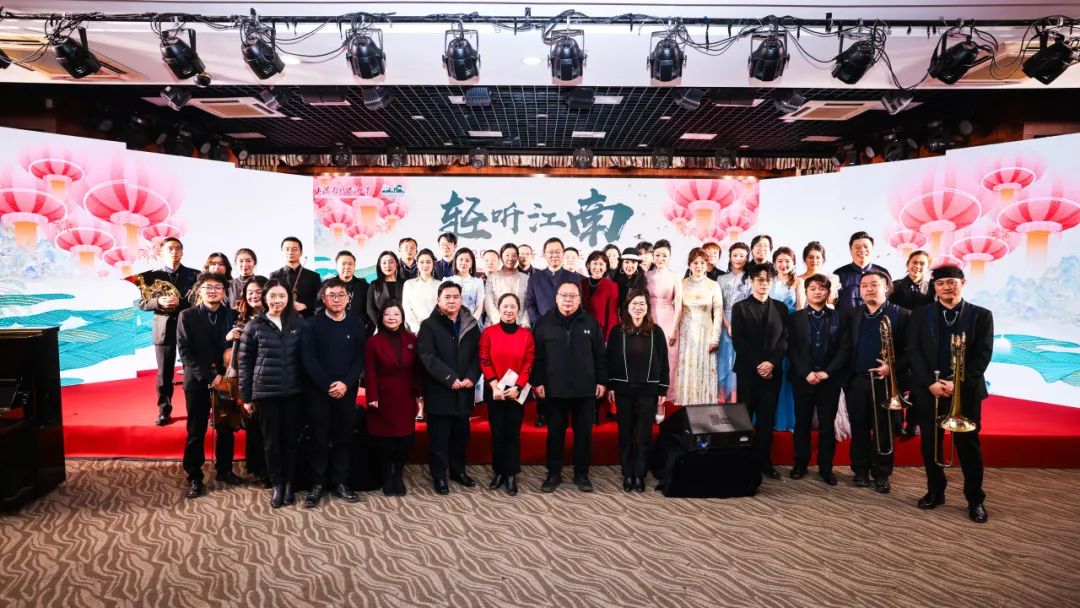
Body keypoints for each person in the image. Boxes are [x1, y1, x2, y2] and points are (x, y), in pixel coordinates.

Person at [907, 265, 992, 523]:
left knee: (968, 447)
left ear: (963, 283)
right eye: (941, 283)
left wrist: (958, 384)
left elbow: (982, 356)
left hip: (965, 393)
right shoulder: (920, 315)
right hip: (930, 391)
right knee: (930, 445)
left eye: (951, 282)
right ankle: (935, 491)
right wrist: (929, 383)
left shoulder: (981, 315)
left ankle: (975, 499)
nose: (946, 287)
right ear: (935, 287)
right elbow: (914, 352)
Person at [833, 269, 909, 494]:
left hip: (886, 382)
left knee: (884, 430)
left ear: (886, 287)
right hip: (857, 381)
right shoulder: (853, 315)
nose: (868, 289)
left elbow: (912, 352)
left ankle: (882, 473)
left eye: (874, 284)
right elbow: (845, 347)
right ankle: (860, 470)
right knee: (858, 428)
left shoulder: (903, 315)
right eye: (864, 285)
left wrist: (892, 367)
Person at [532, 280, 607, 493]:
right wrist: (538, 382)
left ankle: (581, 474)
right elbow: (538, 357)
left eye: (573, 296)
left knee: (583, 435)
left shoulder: (590, 323)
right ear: (556, 298)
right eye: (564, 295)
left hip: (585, 390)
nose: (568, 299)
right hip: (555, 390)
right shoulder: (544, 323)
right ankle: (553, 474)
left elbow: (600, 355)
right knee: (555, 434)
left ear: (579, 299)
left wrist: (602, 381)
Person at [238, 280, 306, 508]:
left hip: (294, 392)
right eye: (273, 296)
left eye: (282, 296)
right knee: (270, 442)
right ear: (265, 298)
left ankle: (289, 483)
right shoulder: (254, 326)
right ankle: (277, 484)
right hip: (265, 394)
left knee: (291, 440)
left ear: (289, 298)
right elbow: (244, 364)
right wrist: (246, 397)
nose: (278, 300)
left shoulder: (299, 323)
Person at [300, 278, 366, 507]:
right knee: (318, 437)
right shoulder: (311, 324)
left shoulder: (356, 323)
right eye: (331, 295)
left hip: (346, 390)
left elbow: (360, 357)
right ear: (323, 298)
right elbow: (308, 359)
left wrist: (345, 384)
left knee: (343, 436)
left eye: (341, 295)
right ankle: (318, 483)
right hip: (319, 390)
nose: (336, 299)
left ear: (348, 298)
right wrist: (328, 385)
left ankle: (340, 481)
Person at [176, 272, 240, 499]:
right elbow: (185, 351)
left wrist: (222, 374)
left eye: (218, 287)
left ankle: (225, 470)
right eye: (208, 287)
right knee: (196, 430)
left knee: (226, 427)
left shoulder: (232, 315)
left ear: (224, 292)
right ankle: (194, 476)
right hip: (197, 381)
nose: (213, 291)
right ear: (199, 291)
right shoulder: (187, 315)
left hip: (226, 380)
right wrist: (208, 376)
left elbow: (233, 349)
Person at [417, 282, 482, 495]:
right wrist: (449, 377)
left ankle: (458, 471)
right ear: (438, 300)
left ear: (461, 299)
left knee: (461, 436)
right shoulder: (428, 325)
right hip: (440, 390)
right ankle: (439, 476)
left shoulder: (471, 324)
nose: (452, 301)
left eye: (456, 297)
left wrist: (472, 377)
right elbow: (427, 356)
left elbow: (478, 354)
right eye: (447, 297)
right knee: (439, 438)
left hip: (464, 390)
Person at [606, 290, 669, 492]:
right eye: (634, 304)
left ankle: (639, 474)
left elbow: (664, 361)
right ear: (627, 307)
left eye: (642, 304)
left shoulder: (656, 332)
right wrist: (611, 386)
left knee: (643, 435)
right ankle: (627, 473)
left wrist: (663, 388)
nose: (638, 307)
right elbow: (610, 360)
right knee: (625, 433)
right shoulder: (617, 331)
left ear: (647, 308)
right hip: (623, 389)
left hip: (648, 390)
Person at [731, 262, 789, 479]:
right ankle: (743, 461)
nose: (764, 284)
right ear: (751, 281)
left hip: (773, 373)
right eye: (760, 280)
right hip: (748, 372)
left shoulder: (781, 308)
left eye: (768, 280)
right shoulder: (740, 307)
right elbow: (739, 341)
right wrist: (759, 364)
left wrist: (771, 363)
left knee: (767, 420)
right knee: (744, 418)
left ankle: (764, 461)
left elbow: (785, 340)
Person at [787, 274, 844, 485]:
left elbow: (845, 348)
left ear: (828, 292)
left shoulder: (839, 317)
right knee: (801, 423)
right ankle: (800, 463)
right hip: (803, 379)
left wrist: (828, 372)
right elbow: (791, 349)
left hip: (829, 380)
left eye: (822, 288)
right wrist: (806, 373)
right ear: (806, 292)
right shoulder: (795, 318)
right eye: (813, 288)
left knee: (827, 425)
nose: (817, 292)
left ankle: (826, 467)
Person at [136, 236, 199, 426]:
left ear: (182, 252)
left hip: (189, 329)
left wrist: (182, 302)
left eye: (178, 248)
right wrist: (158, 302)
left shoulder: (195, 275)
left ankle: (195, 410)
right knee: (164, 374)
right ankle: (164, 410)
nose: (174, 252)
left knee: (192, 372)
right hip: (163, 329)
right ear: (161, 252)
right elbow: (142, 303)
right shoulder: (151, 277)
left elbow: (199, 301)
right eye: (170, 248)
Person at [478, 293, 535, 496]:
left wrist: (518, 387)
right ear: (499, 308)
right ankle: (499, 472)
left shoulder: (526, 335)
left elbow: (528, 363)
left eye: (513, 307)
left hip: (516, 392)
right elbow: (484, 359)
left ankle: (511, 474)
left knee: (513, 433)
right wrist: (495, 386)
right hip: (495, 390)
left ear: (518, 310)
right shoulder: (488, 333)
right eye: (505, 306)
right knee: (497, 432)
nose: (509, 310)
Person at [364, 301, 423, 496]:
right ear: (381, 317)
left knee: (404, 440)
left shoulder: (411, 339)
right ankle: (387, 477)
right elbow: (370, 372)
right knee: (386, 441)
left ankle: (398, 475)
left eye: (396, 314)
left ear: (402, 317)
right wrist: (372, 396)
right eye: (387, 314)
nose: (392, 318)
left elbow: (417, 369)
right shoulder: (373, 342)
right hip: (383, 397)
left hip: (406, 395)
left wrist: (419, 394)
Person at [524, 237, 584, 426]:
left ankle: (564, 412)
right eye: (550, 251)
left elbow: (578, 303)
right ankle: (542, 412)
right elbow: (529, 303)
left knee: (564, 369)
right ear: (544, 254)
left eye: (558, 251)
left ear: (563, 253)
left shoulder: (573, 276)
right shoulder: (535, 277)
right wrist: (540, 323)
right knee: (543, 369)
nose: (554, 255)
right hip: (542, 331)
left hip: (568, 331)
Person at [674, 248, 723, 406]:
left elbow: (718, 313)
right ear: (689, 264)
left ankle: (704, 411)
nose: (699, 266)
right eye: (695, 263)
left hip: (705, 334)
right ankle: (686, 409)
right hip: (686, 335)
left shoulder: (713, 285)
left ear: (707, 265)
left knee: (704, 370)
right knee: (687, 370)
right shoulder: (681, 284)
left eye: (702, 263)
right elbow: (677, 310)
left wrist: (715, 338)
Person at [892, 249, 934, 437]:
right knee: (897, 381)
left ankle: (913, 422)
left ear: (927, 267)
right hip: (899, 340)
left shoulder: (932, 288)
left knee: (919, 382)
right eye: (914, 262)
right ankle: (897, 422)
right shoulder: (895, 286)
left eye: (922, 263)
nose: (917, 266)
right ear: (907, 264)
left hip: (923, 342)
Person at [229, 277, 267, 484]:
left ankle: (268, 468)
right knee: (253, 425)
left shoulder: (275, 315)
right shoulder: (239, 317)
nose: (254, 296)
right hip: (247, 378)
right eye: (250, 292)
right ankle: (256, 466)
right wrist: (228, 337)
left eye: (258, 291)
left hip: (268, 377)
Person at [769, 247, 806, 432]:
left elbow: (800, 308)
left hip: (790, 330)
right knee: (772, 374)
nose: (784, 265)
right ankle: (769, 419)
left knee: (786, 375)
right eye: (780, 261)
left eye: (787, 261)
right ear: (774, 263)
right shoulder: (769, 280)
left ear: (793, 263)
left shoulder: (798, 282)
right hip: (770, 331)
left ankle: (787, 421)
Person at [646, 239, 682, 406]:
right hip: (648, 317)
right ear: (653, 256)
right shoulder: (646, 275)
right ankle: (648, 399)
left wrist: (674, 329)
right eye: (658, 255)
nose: (660, 258)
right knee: (649, 357)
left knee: (669, 359)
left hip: (668, 318)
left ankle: (664, 400)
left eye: (664, 255)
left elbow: (679, 304)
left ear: (670, 257)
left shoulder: (675, 277)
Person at [717, 242, 751, 402]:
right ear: (730, 257)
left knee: (739, 358)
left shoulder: (751, 279)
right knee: (724, 359)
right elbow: (719, 305)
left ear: (747, 258)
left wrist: (741, 326)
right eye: (735, 255)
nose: (738, 259)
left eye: (742, 256)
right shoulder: (721, 279)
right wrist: (728, 325)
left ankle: (736, 399)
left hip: (745, 323)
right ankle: (722, 398)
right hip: (725, 322)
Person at [833, 231, 890, 315]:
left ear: (872, 249)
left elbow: (889, 300)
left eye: (865, 246)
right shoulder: (838, 274)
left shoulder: (883, 272)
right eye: (857, 247)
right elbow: (832, 302)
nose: (862, 250)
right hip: (846, 321)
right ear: (850, 250)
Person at [268, 237, 321, 318]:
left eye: (294, 249)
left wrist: (305, 305)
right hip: (282, 318)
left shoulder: (313, 276)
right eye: (287, 249)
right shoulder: (274, 276)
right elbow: (270, 298)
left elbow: (320, 299)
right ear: (282, 252)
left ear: (301, 253)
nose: (290, 252)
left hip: (307, 318)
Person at [484, 243, 530, 328]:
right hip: (495, 324)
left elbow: (528, 303)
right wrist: (500, 322)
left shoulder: (525, 278)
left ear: (517, 257)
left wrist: (524, 323)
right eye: (507, 255)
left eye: (514, 255)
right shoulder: (492, 278)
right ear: (501, 257)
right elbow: (488, 303)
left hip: (519, 325)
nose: (510, 258)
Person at [330, 250, 371, 332]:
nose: (347, 267)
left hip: (357, 331)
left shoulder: (364, 286)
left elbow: (369, 311)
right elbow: (319, 309)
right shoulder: (327, 286)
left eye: (350, 264)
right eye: (343, 264)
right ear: (336, 266)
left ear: (354, 266)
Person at [584, 251, 619, 341]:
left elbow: (612, 316)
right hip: (581, 330)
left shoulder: (612, 286)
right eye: (594, 263)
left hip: (600, 332)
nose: (597, 267)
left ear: (606, 267)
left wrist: (609, 339)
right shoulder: (581, 283)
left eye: (601, 264)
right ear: (588, 265)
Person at [402, 248, 439, 334]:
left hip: (437, 330)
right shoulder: (409, 284)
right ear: (417, 264)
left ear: (433, 264)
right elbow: (407, 310)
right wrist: (417, 328)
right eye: (422, 262)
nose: (425, 265)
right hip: (416, 332)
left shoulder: (440, 284)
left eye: (428, 262)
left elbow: (443, 309)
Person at [366, 251, 404, 329]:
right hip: (381, 327)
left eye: (391, 262)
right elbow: (370, 309)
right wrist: (380, 325)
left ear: (396, 264)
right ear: (380, 266)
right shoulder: (374, 284)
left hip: (403, 326)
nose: (387, 265)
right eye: (384, 263)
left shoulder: (405, 283)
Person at [448, 248, 486, 326]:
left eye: (467, 260)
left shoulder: (478, 282)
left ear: (472, 264)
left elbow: (479, 306)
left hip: (473, 324)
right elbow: (443, 305)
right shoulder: (447, 280)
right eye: (461, 260)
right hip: (450, 324)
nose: (463, 263)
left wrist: (471, 323)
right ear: (455, 261)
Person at [797, 241, 839, 305]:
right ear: (805, 259)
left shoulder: (830, 279)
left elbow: (831, 304)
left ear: (823, 259)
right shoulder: (797, 280)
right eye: (810, 257)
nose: (814, 260)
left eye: (818, 257)